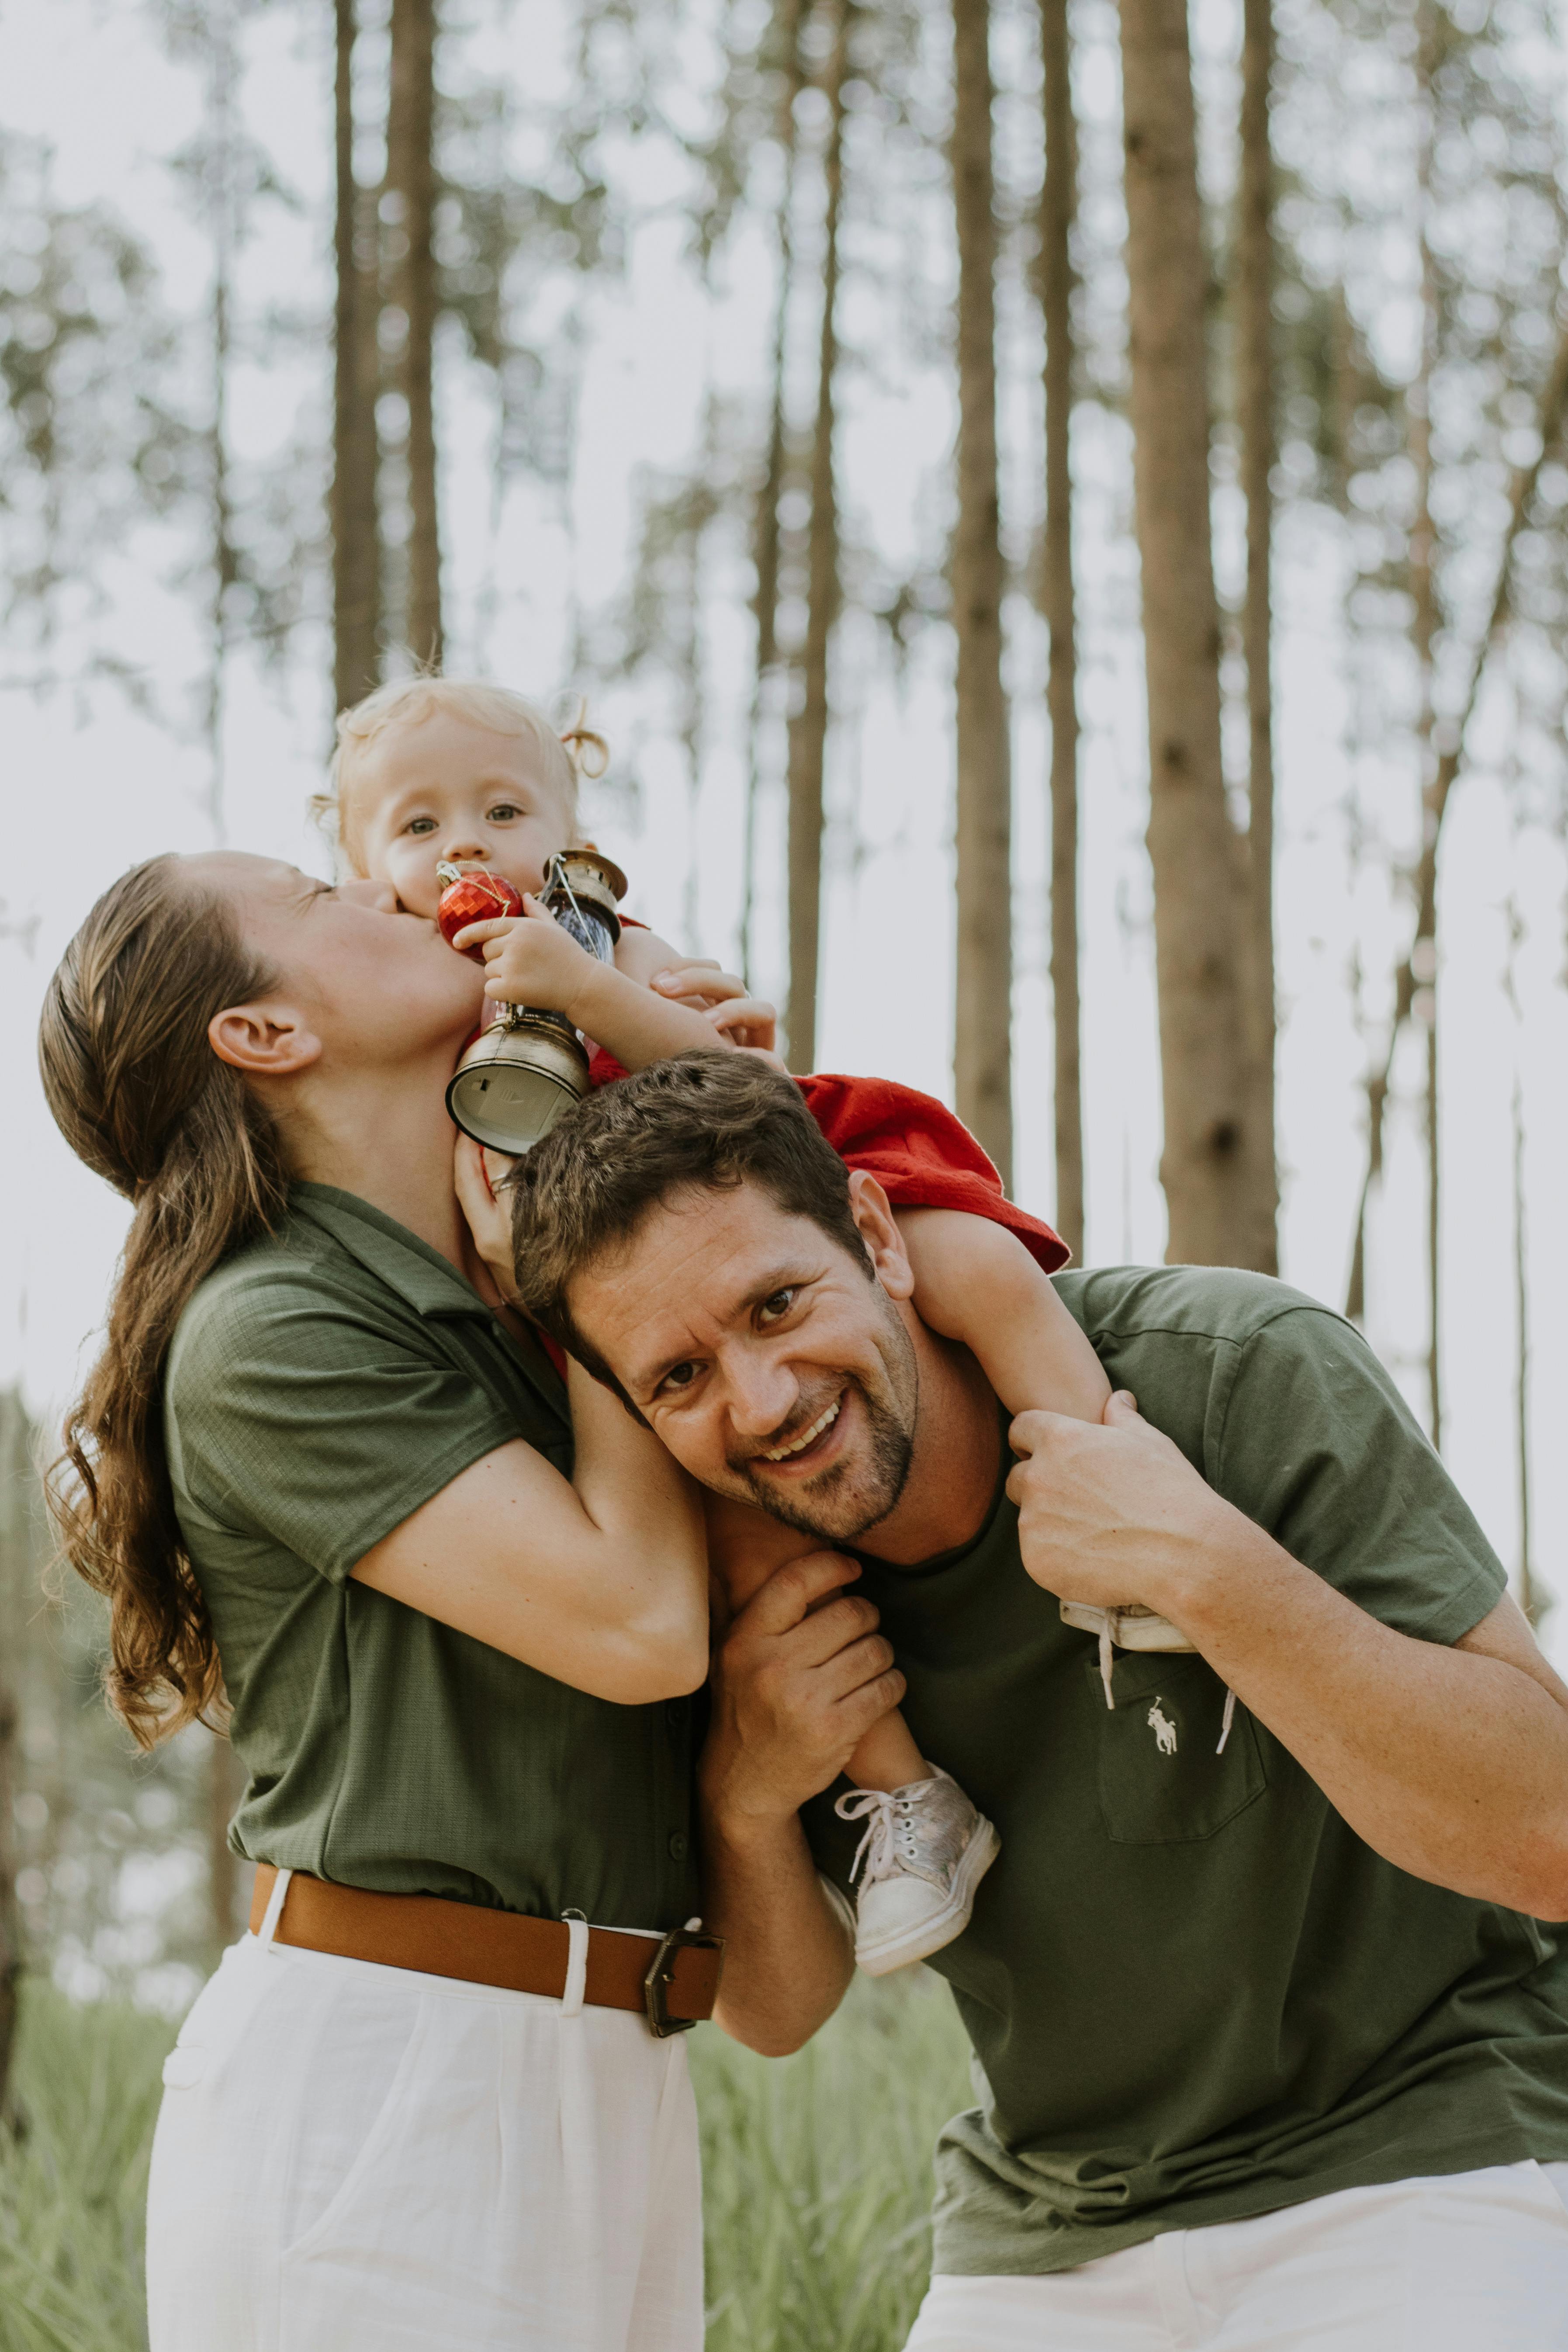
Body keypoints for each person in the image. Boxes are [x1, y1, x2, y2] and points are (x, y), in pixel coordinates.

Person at [498, 1049, 1568, 2352]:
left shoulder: (1230, 1370)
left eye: (779, 1305)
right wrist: (747, 1794)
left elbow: (1550, 1834)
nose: (762, 1403)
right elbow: (776, 2015)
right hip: (1053, 2228)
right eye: (678, 1379)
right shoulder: (728, 1591)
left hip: (1427, 2150)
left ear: (880, 1238)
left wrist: (1208, 1570)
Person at [318, 669, 1164, 1971]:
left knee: (974, 1268)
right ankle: (909, 1805)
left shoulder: (596, 936)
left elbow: (746, 1081)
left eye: (503, 808)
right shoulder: (411, 1016)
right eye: (419, 828)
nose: (468, 845)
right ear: (363, 869)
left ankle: (1116, 1495)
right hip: (626, 1312)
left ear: (571, 831)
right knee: (752, 1555)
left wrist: (588, 989)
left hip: (770, 1185)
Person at [39, 852, 770, 2352]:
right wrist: (570, 1263)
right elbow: (641, 1629)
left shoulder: (488, 1287)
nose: (398, 886)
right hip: (395, 2089)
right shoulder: (268, 1333)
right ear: (265, 1036)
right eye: (321, 897)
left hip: (616, 2076)